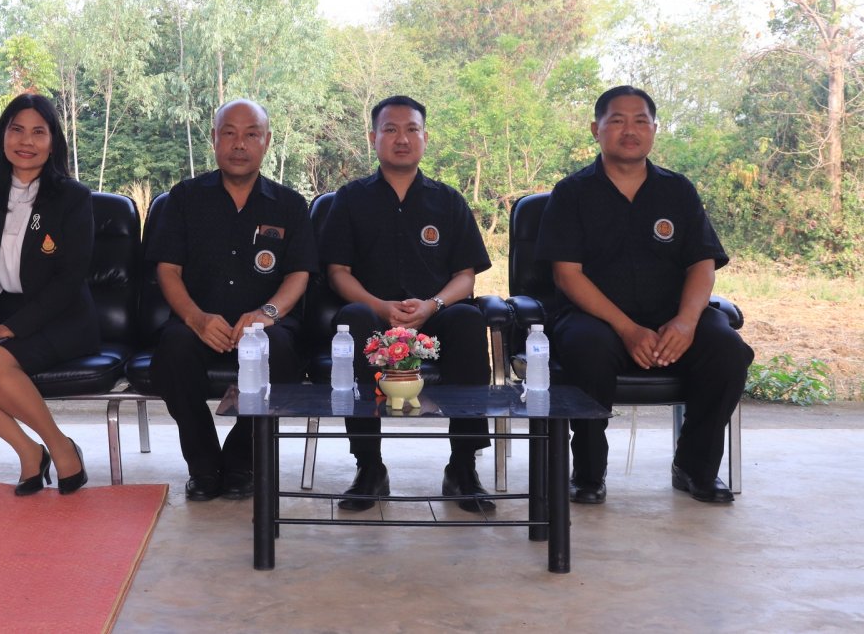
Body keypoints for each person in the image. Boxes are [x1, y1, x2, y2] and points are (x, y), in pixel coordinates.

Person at [536, 85, 753, 505]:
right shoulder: (572, 193)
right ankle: (588, 473)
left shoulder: (678, 190)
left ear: (654, 129)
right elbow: (567, 275)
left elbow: (702, 263)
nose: (629, 130)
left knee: (726, 350)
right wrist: (627, 328)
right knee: (586, 350)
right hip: (596, 319)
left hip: (671, 316)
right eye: (617, 121)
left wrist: (686, 322)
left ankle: (695, 467)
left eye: (640, 121)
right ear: (596, 129)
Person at [320, 95, 495, 513]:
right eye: (391, 130)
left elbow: (465, 275)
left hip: (434, 318)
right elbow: (338, 272)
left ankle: (463, 467)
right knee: (353, 319)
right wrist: (379, 306)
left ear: (425, 137)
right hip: (373, 316)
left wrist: (433, 304)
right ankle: (369, 467)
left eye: (411, 129)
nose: (402, 139)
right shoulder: (350, 199)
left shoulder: (448, 201)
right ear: (373, 138)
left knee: (468, 320)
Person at [148, 99, 317, 502]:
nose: (239, 144)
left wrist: (267, 314)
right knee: (173, 348)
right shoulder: (184, 198)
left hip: (264, 328)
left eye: (251, 134)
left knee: (283, 352)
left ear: (266, 142)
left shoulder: (290, 205)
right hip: (197, 324)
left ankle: (242, 459)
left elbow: (299, 273)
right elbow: (167, 270)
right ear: (214, 139)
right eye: (229, 133)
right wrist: (195, 318)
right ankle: (204, 465)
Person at [0, 94, 97, 495]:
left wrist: (9, 329)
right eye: (17, 130)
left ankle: (61, 448)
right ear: (3, 137)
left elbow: (69, 279)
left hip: (62, 317)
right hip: (2, 312)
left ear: (53, 141)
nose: (26, 141)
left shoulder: (73, 198)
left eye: (38, 132)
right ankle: (29, 452)